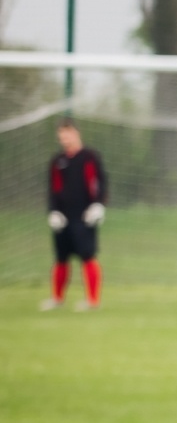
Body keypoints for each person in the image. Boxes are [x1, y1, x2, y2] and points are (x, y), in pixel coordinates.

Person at [42, 120, 107, 312]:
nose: (65, 139)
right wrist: (53, 211)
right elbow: (53, 189)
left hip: (85, 215)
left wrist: (98, 205)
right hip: (63, 217)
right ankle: (57, 298)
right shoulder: (57, 161)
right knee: (61, 258)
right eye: (61, 136)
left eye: (67, 134)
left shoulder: (90, 157)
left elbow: (100, 182)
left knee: (88, 255)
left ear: (76, 133)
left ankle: (93, 300)